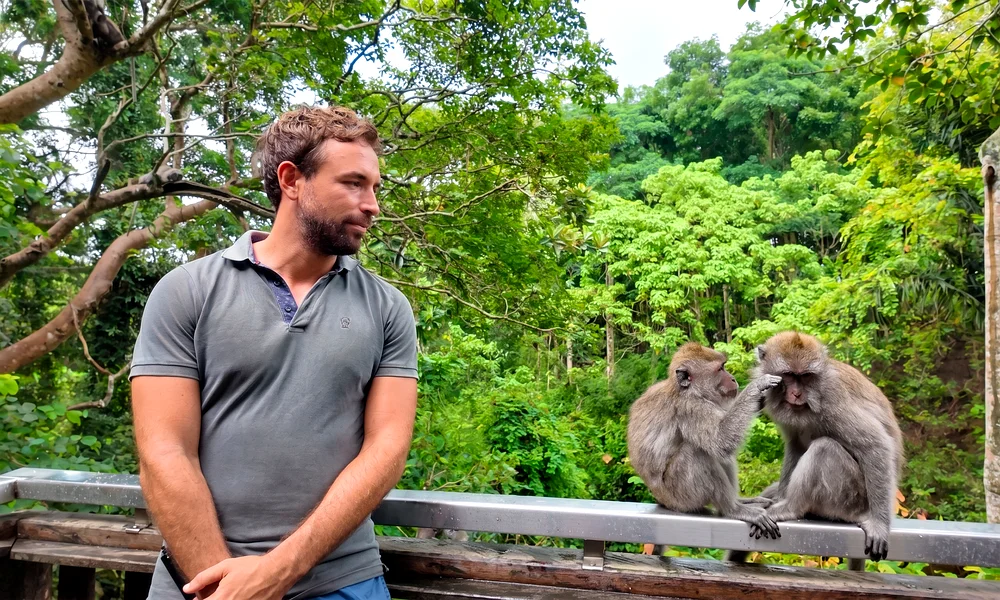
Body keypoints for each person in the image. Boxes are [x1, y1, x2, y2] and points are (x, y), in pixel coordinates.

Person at [130, 106, 418, 600]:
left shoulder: (388, 308)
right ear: (291, 180)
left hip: (342, 581)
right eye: (353, 183)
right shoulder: (187, 292)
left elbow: (386, 448)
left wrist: (280, 570)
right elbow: (164, 451)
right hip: (199, 582)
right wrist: (225, 586)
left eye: (375, 187)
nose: (372, 205)